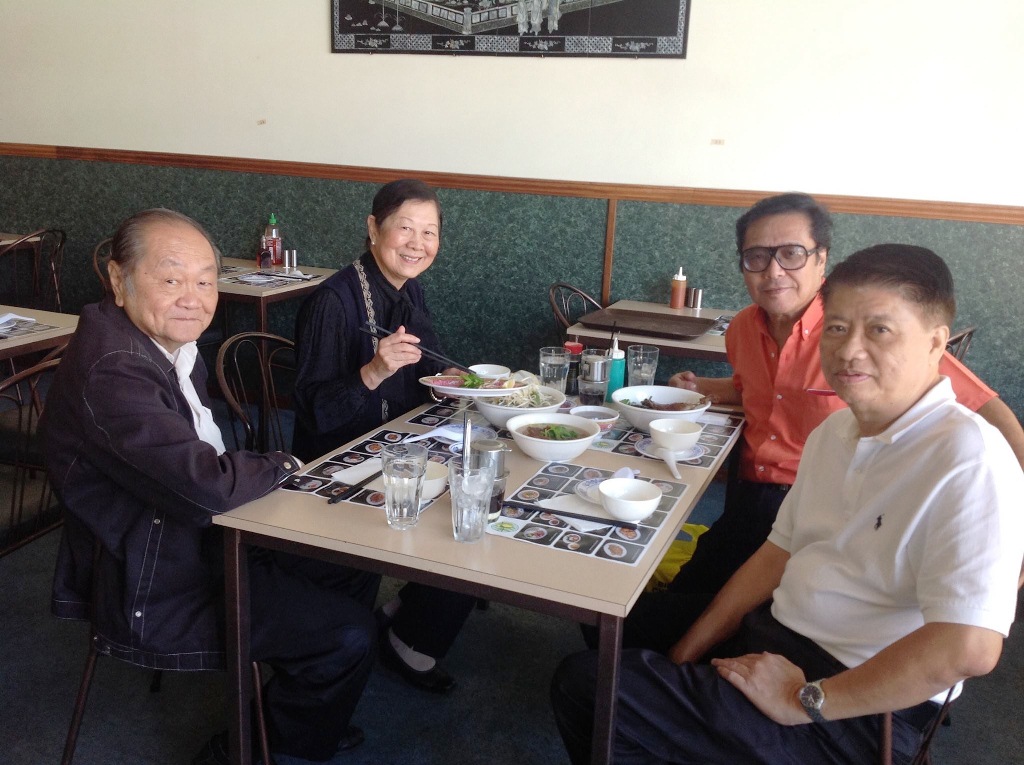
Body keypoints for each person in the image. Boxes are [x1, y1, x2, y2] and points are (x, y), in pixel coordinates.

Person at [551, 244, 1024, 764]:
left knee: (589, 687)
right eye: (838, 328)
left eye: (879, 330)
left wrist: (805, 701)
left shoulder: (970, 458)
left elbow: (969, 649)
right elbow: (775, 556)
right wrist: (686, 653)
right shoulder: (837, 430)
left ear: (937, 343)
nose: (849, 350)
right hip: (778, 635)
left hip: (860, 707)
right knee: (608, 612)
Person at [609, 193, 1024, 653]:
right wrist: (705, 385)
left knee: (735, 630)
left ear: (821, 259)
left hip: (827, 515)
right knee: (627, 614)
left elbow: (991, 414)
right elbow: (756, 388)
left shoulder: (862, 332)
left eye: (791, 254)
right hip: (748, 501)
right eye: (757, 257)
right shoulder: (743, 327)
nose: (773, 272)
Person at [43, 209, 379, 765]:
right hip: (155, 574)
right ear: (116, 278)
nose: (193, 298)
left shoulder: (161, 344)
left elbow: (204, 474)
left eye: (204, 281)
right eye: (171, 279)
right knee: (349, 633)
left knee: (354, 562)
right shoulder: (114, 367)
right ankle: (259, 741)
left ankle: (308, 703)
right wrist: (285, 463)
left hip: (192, 534)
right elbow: (209, 487)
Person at [292, 178, 475, 695]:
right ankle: (407, 640)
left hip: (398, 444)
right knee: (461, 510)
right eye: (405, 228)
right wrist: (371, 371)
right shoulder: (333, 301)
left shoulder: (407, 289)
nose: (418, 243)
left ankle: (407, 626)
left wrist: (466, 384)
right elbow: (313, 414)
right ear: (374, 228)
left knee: (480, 497)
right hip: (339, 465)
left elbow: (429, 367)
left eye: (430, 232)